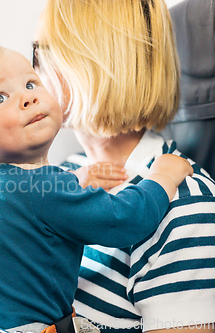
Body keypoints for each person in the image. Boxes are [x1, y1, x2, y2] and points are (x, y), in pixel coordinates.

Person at [0, 41, 192, 332]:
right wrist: (164, 176)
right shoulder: (42, 189)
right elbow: (127, 219)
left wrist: (73, 180)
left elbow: (36, 207)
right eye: (0, 97)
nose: (26, 98)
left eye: (31, 83)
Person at [32, 0, 215, 332]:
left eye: (42, 53)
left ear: (94, 64)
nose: (32, 74)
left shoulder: (185, 208)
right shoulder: (63, 173)